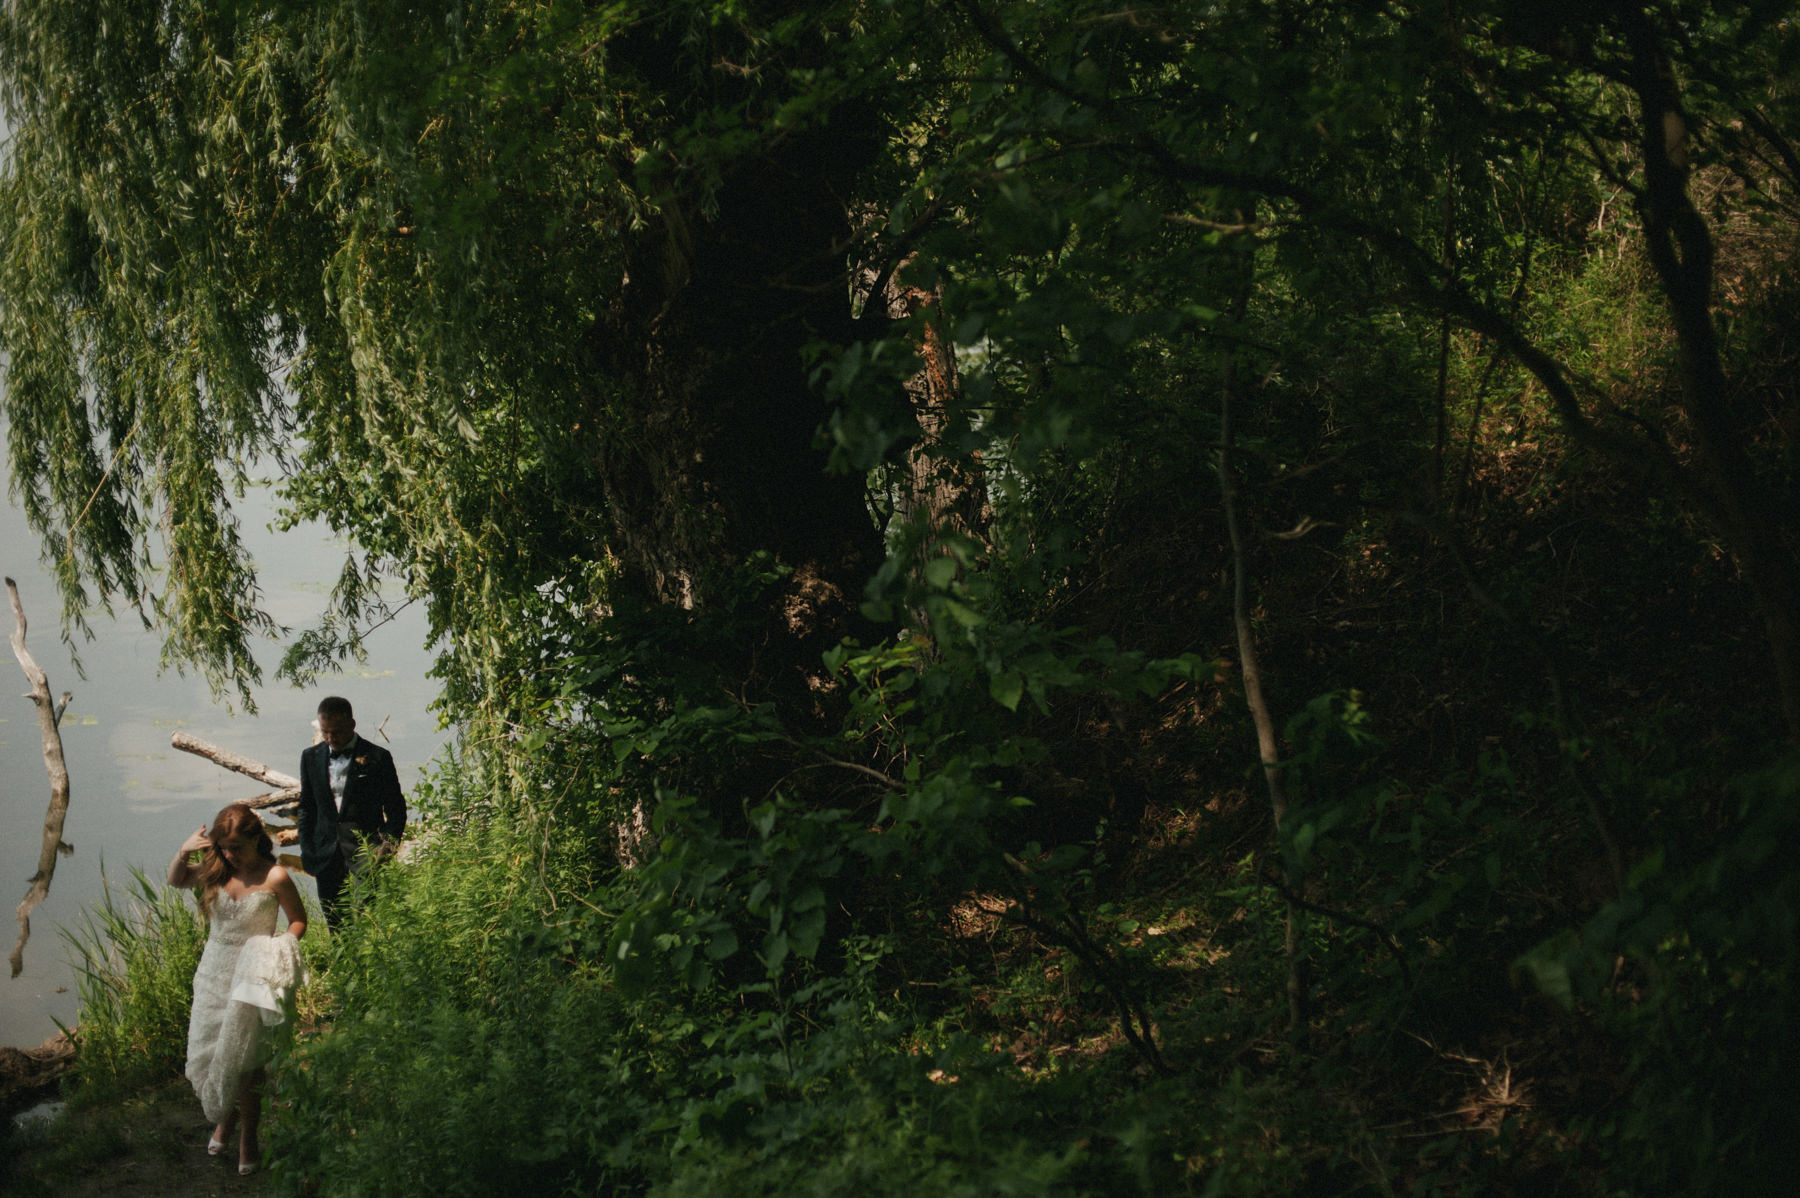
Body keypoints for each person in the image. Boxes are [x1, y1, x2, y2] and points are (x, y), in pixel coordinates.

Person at [167, 802, 307, 1176]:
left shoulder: (276, 876)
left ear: (256, 841)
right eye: (224, 847)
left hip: (252, 974)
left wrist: (277, 949)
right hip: (213, 972)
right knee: (214, 1051)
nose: (230, 855)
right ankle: (225, 1122)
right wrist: (184, 851)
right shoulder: (215, 871)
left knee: (247, 1059)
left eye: (238, 849)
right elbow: (176, 880)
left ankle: (249, 1135)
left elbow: (298, 921)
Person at [296, 695, 406, 929]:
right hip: (326, 856)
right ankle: (342, 965)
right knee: (336, 925)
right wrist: (307, 850)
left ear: (352, 725)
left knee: (367, 925)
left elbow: (396, 808)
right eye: (325, 732)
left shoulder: (378, 757)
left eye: (336, 732)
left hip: (366, 856)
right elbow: (306, 808)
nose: (330, 738)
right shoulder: (310, 757)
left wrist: (387, 846)